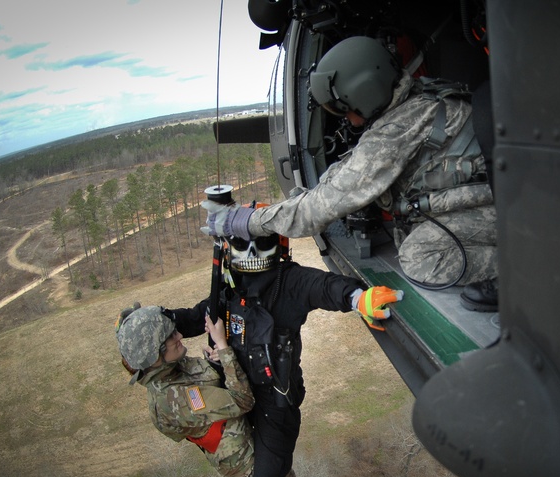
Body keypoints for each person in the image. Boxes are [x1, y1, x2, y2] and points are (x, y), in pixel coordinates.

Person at [203, 35, 499, 312]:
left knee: (418, 259)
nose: (345, 117)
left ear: (365, 92)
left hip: (508, 209)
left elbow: (324, 206)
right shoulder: (410, 103)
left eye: (344, 107)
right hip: (495, 196)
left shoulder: (397, 129)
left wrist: (248, 222)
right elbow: (344, 173)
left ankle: (525, 265)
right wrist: (284, 207)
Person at [161, 227, 403, 477]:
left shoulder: (287, 282)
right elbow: (193, 318)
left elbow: (324, 286)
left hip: (274, 400)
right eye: (243, 244)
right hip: (232, 392)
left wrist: (357, 297)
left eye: (257, 243)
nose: (249, 253)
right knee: (261, 474)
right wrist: (157, 319)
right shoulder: (229, 289)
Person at [115, 304, 255, 477]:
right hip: (249, 462)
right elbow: (243, 400)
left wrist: (215, 361)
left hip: (249, 429)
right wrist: (222, 345)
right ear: (155, 355)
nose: (179, 336)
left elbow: (205, 383)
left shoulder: (169, 367)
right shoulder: (173, 401)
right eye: (171, 336)